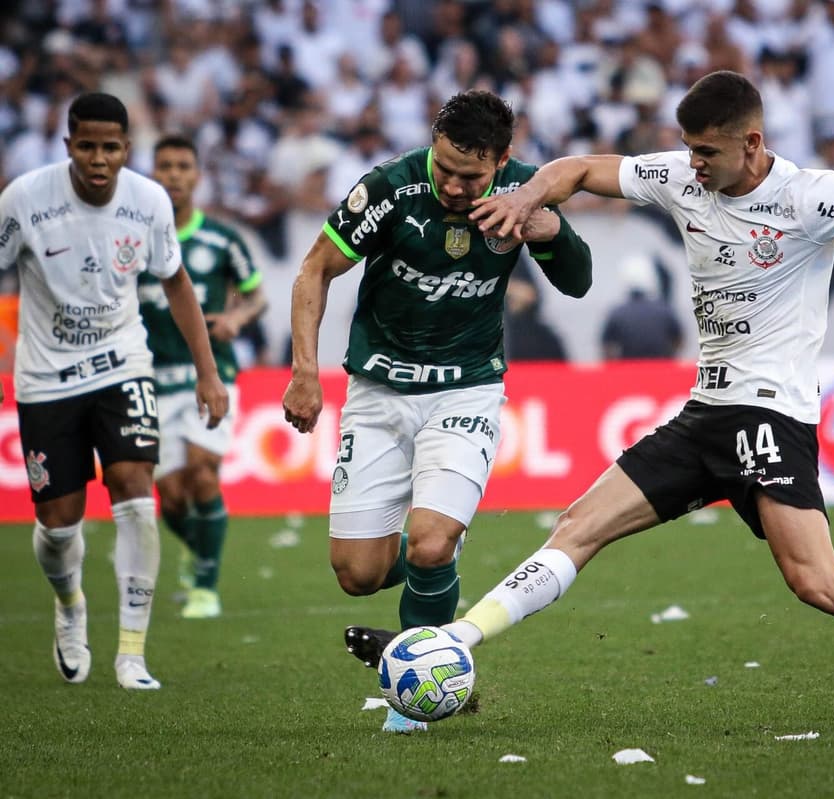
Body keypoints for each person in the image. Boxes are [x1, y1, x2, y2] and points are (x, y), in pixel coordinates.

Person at [344, 71, 834, 722]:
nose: (691, 164)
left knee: (817, 582)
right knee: (577, 525)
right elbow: (577, 169)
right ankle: (450, 645)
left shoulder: (812, 198)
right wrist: (527, 195)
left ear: (753, 143)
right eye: (688, 148)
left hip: (770, 416)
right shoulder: (680, 176)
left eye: (706, 151)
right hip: (706, 412)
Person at [281, 90, 593, 733]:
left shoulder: (523, 192)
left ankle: (414, 696)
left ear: (502, 161)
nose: (454, 185)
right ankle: (438, 559)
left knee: (427, 543)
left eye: (470, 175)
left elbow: (579, 281)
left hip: (466, 388)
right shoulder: (390, 190)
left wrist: (552, 229)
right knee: (358, 574)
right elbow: (315, 270)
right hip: (377, 391)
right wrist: (305, 372)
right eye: (445, 167)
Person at [0, 93, 228, 690]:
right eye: (87, 146)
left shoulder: (148, 201)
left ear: (127, 149)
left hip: (122, 364)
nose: (98, 159)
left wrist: (208, 372)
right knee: (58, 527)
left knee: (134, 490)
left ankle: (132, 653)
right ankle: (70, 604)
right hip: (45, 378)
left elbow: (176, 285)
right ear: (68, 145)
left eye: (111, 147)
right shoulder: (24, 200)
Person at [139, 134, 267, 619]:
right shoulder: (136, 239)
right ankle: (197, 549)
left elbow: (256, 295)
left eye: (182, 166)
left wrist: (237, 317)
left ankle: (206, 588)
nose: (173, 174)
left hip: (210, 375)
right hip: (151, 378)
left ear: (197, 175)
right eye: (165, 165)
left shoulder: (222, 239)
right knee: (170, 497)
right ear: (153, 173)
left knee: (201, 471)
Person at [600, 252, 683, 360]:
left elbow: (606, 346)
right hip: (662, 369)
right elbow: (679, 339)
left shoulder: (617, 313)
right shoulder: (664, 310)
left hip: (629, 370)